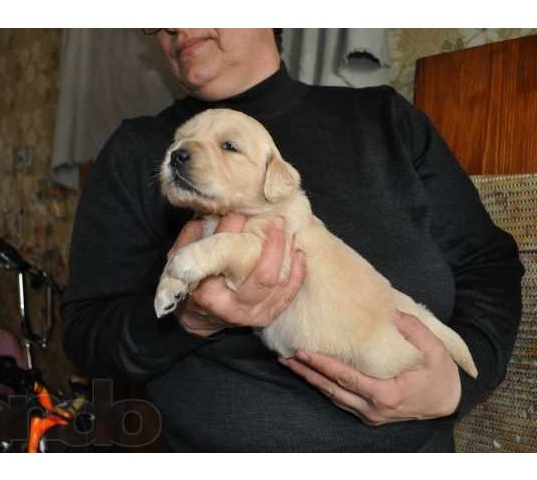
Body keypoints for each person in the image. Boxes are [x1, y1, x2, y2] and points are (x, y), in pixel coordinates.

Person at [61, 28, 524, 452]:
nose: (175, 22)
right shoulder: (135, 149)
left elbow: (489, 263)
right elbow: (86, 335)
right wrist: (190, 319)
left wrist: (456, 386)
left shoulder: (384, 118)